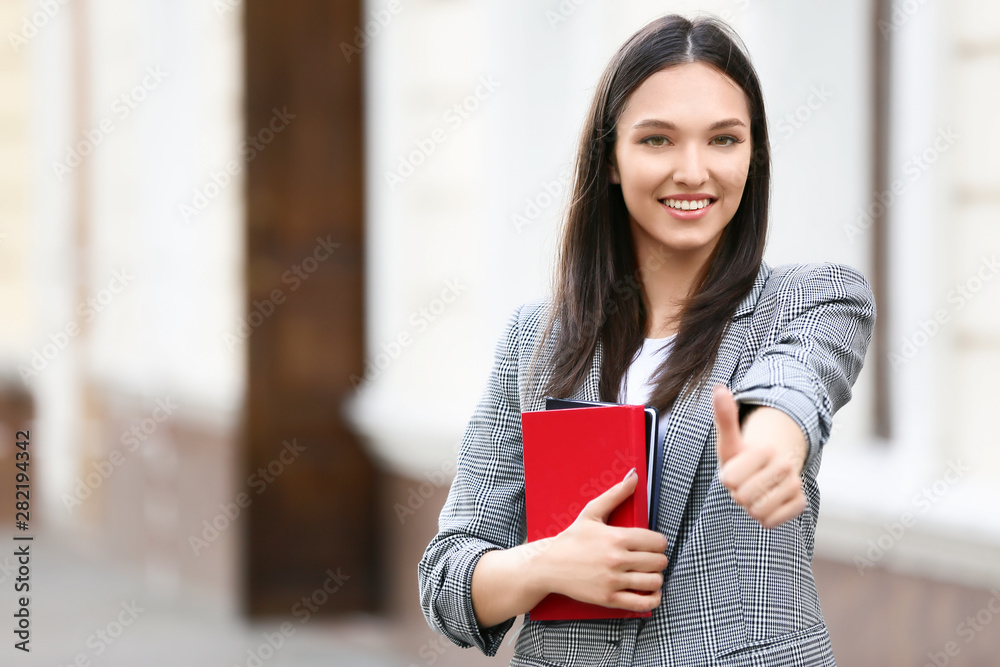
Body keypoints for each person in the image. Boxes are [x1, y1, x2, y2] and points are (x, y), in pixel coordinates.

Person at [418, 13, 875, 667]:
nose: (694, 170)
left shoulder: (812, 299)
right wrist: (551, 563)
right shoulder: (536, 339)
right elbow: (447, 580)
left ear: (753, 155)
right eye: (658, 140)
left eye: (724, 139)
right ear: (611, 157)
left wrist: (770, 443)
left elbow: (795, 384)